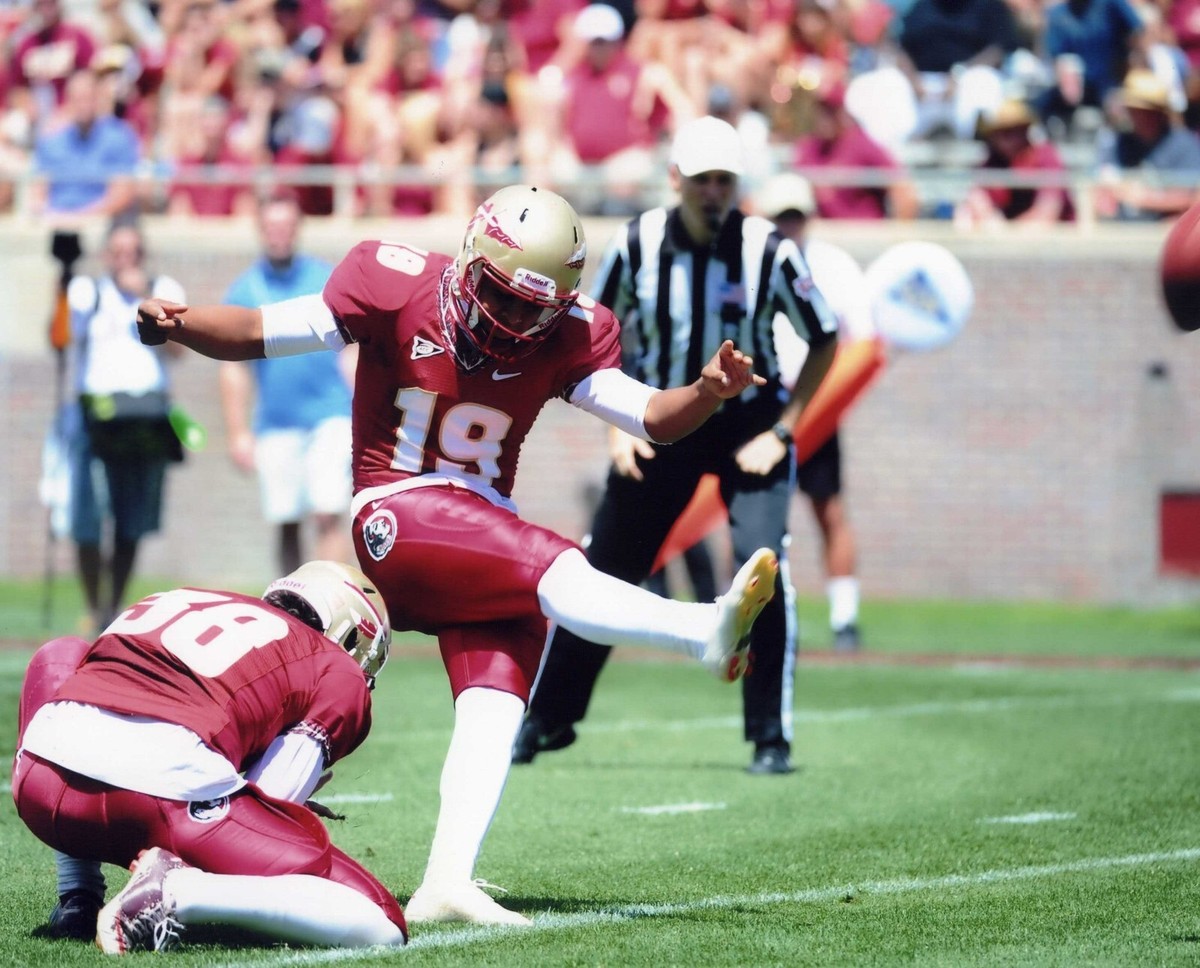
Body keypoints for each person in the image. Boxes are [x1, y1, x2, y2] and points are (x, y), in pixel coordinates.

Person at [135, 182, 782, 925]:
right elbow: (256, 331)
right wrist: (182, 325)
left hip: (480, 532)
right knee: (558, 562)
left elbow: (651, 418)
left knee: (495, 696)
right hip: (396, 510)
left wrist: (704, 389)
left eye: (529, 309)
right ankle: (700, 632)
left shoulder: (575, 331)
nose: (510, 320)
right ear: (471, 260)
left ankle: (446, 878)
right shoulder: (392, 282)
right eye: (500, 297)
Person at [513, 117, 839, 777]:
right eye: (702, 181)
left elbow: (826, 334)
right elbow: (592, 334)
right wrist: (616, 428)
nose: (714, 192)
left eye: (725, 181)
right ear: (675, 180)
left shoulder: (768, 250)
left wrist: (782, 433)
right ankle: (547, 719)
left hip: (750, 424)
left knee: (760, 568)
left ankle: (769, 737)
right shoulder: (638, 244)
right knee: (602, 568)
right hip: (666, 418)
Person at [13, 560, 406, 952]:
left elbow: (68, 666)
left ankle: (77, 895)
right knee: (382, 921)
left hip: (38, 783)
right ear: (353, 633)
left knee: (62, 654)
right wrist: (265, 815)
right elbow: (274, 794)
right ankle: (176, 891)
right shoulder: (337, 667)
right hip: (157, 799)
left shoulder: (178, 597)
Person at [754, 171, 871, 652]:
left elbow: (859, 338)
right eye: (780, 217)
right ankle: (749, 616)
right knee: (754, 513)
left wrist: (825, 397)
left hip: (813, 401)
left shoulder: (834, 266)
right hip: (762, 402)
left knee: (828, 509)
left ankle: (845, 618)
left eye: (794, 217)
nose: (788, 226)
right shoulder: (751, 262)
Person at [220, 191, 355, 575]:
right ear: (260, 230)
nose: (279, 235)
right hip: (276, 423)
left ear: (298, 230)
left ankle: (330, 608)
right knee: (286, 521)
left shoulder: (326, 280)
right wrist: (237, 432)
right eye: (271, 227)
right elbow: (234, 367)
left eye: (286, 226)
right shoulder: (245, 290)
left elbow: (351, 351)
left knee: (328, 512)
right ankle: (292, 613)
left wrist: (364, 412)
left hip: (330, 415)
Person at [67, 220, 187, 634]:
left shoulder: (164, 289)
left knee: (130, 519)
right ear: (106, 256)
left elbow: (179, 352)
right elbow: (66, 334)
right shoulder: (88, 292)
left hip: (145, 418)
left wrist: (144, 301)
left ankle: (113, 606)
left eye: (132, 252)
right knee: (87, 517)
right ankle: (92, 602)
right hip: (96, 418)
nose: (125, 260)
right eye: (117, 252)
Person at [1093, 68, 1200, 221]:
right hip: (1121, 231)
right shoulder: (1117, 143)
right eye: (1134, 109)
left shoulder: (1184, 146)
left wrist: (1144, 199)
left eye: (1146, 110)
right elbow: (1101, 188)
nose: (1140, 116)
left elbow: (1192, 198)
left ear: (1160, 112)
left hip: (1162, 231)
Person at [954, 98, 1076, 227]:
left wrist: (1007, 232)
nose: (1006, 138)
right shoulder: (992, 162)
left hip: (1051, 241)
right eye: (999, 133)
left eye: (1013, 131)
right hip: (1006, 238)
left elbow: (1047, 213)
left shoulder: (1046, 156)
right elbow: (976, 200)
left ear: (1025, 131)